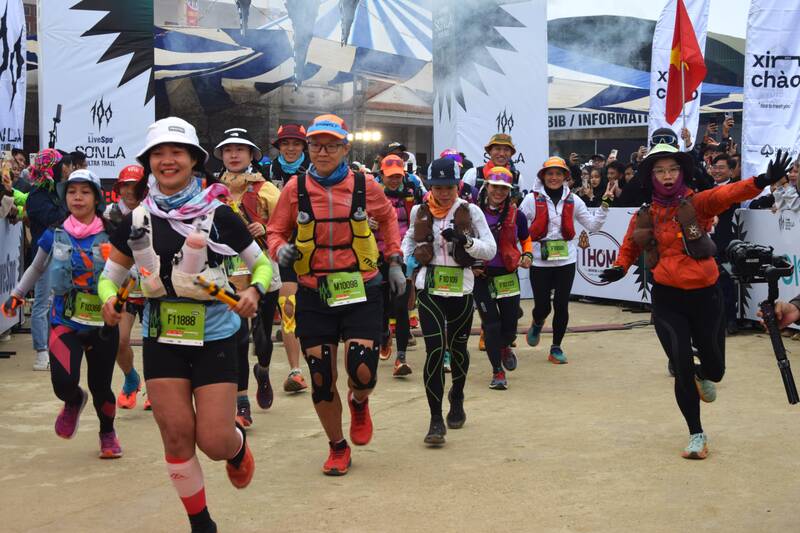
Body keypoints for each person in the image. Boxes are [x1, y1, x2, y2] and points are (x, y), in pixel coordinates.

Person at [101, 117, 269, 532]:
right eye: (158, 154)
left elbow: (261, 265)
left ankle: (237, 449)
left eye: (177, 153)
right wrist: (108, 299)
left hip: (216, 337)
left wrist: (254, 293)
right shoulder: (137, 220)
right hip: (162, 337)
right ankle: (201, 524)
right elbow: (111, 276)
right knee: (176, 437)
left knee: (213, 441)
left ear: (194, 160)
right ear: (149, 163)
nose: (167, 160)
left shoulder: (219, 214)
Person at [599, 145, 792, 460]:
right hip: (666, 299)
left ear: (682, 172)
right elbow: (630, 247)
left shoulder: (698, 203)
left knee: (716, 370)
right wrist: (619, 268)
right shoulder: (645, 213)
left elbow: (727, 194)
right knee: (682, 366)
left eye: (672, 169)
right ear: (651, 176)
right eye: (660, 171)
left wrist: (760, 181)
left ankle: (705, 375)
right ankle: (696, 434)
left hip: (706, 295)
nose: (667, 176)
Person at [267, 114, 405, 475]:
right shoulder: (293, 189)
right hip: (314, 292)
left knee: (362, 370)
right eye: (316, 145)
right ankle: (337, 446)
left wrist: (394, 260)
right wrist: (279, 249)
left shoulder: (366, 185)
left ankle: (360, 402)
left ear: (345, 148)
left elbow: (389, 219)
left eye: (331, 145)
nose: (322, 151)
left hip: (361, 286)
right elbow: (275, 231)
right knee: (321, 377)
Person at [3, 169, 123, 458]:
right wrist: (17, 295)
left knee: (101, 387)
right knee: (63, 383)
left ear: (96, 197)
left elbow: (128, 270)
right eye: (71, 192)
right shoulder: (54, 233)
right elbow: (36, 267)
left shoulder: (112, 234)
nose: (77, 198)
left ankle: (107, 432)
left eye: (84, 192)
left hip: (102, 324)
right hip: (64, 320)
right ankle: (73, 400)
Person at [402, 157, 496, 445]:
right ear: (430, 186)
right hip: (429, 287)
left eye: (449, 187)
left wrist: (465, 241)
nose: (443, 193)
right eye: (437, 187)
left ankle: (457, 395)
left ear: (458, 186)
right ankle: (435, 419)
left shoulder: (471, 211)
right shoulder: (419, 210)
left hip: (461, 288)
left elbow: (490, 250)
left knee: (457, 349)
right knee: (433, 350)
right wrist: (407, 259)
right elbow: (407, 239)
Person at [214, 127, 282, 425]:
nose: (233, 154)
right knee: (238, 338)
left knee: (262, 336)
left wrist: (264, 228)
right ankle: (242, 403)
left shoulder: (267, 189)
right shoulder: (211, 189)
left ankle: (263, 371)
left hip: (262, 266)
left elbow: (285, 227)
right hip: (227, 272)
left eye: (240, 149)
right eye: (228, 150)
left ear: (252, 154)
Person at [521, 157, 612, 364]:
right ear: (543, 176)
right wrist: (523, 250)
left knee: (562, 305)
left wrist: (605, 205)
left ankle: (556, 347)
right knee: (543, 307)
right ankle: (537, 322)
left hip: (566, 261)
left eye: (558, 174)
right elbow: (519, 227)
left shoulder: (574, 200)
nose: (554, 178)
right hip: (539, 261)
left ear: (565, 177)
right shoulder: (531, 200)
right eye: (550, 174)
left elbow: (593, 225)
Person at [472, 167, 532, 390]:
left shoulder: (518, 215)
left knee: (509, 326)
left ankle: (505, 346)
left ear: (510, 190)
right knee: (491, 325)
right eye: (495, 186)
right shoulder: (473, 212)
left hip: (508, 275)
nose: (498, 192)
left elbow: (526, 239)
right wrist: (471, 264)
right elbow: (464, 243)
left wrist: (527, 254)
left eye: (504, 188)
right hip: (482, 276)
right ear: (486, 186)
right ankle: (497, 371)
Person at [262, 124, 310, 394]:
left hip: (312, 249)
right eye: (285, 143)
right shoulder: (266, 173)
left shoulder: (316, 172)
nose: (290, 148)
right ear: (278, 146)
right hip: (278, 250)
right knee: (288, 307)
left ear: (304, 146)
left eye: (296, 143)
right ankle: (295, 370)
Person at [373, 154, 424, 376]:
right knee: (382, 306)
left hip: (401, 256)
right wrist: (366, 221)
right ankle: (384, 335)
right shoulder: (371, 194)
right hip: (375, 255)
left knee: (402, 307)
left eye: (397, 176)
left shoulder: (412, 193)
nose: (394, 180)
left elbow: (419, 222)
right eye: (389, 176)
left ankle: (401, 358)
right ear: (382, 174)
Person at [103, 164, 149, 410]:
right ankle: (131, 379)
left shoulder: (155, 213)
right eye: (125, 186)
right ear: (118, 188)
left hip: (153, 290)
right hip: (125, 289)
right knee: (120, 341)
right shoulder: (109, 215)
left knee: (156, 345)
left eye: (136, 186)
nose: (130, 191)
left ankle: (154, 388)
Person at [25, 149, 67, 371]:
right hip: (44, 255)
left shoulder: (54, 192)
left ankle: (52, 347)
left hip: (59, 253)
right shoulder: (37, 196)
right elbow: (54, 219)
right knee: (42, 304)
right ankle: (41, 351)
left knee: (54, 302)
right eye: (61, 164)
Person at [462, 133, 521, 199]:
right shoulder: (473, 174)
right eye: (498, 149)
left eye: (506, 150)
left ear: (511, 154)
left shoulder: (517, 177)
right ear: (489, 152)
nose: (502, 153)